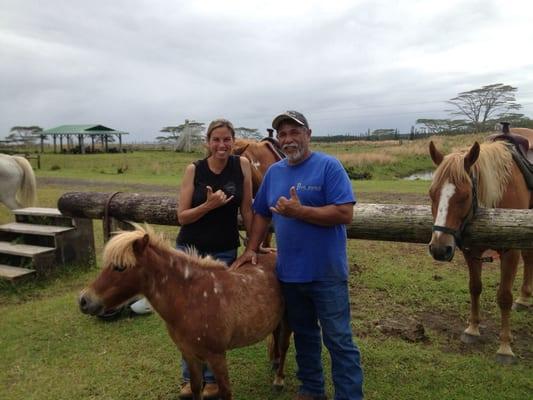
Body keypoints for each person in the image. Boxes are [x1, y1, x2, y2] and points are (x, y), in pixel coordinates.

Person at [232, 111, 364, 400]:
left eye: (294, 132)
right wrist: (252, 248)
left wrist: (299, 211)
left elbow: (345, 213)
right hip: (290, 274)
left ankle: (349, 395)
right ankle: (312, 389)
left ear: (308, 134)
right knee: (304, 335)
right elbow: (261, 213)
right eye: (283, 134)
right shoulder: (275, 172)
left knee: (338, 339)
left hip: (326, 273)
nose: (288, 139)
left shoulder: (329, 167)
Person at [176, 118, 253, 399]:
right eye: (216, 140)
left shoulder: (241, 165)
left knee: (213, 319)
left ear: (233, 141)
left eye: (227, 139)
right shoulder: (193, 170)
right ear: (207, 143)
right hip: (190, 252)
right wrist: (207, 206)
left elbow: (247, 209)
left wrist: (253, 247)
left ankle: (210, 380)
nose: (222, 145)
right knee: (188, 318)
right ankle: (190, 377)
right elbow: (182, 216)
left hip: (223, 251)